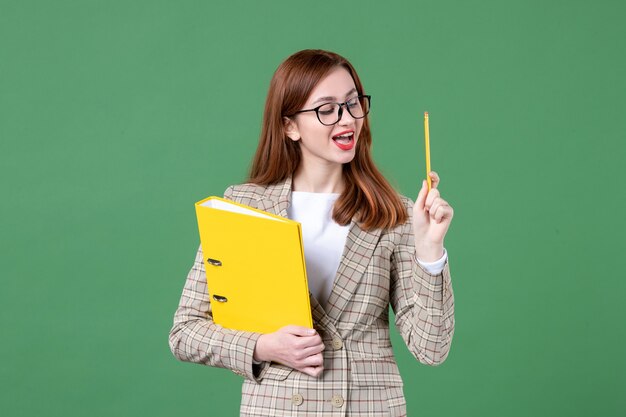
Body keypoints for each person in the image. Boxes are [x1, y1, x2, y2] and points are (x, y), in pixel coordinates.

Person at [169, 49, 455, 416]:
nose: (347, 119)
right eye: (327, 109)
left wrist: (430, 251)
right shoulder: (244, 206)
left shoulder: (395, 213)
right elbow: (185, 332)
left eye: (354, 104)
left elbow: (431, 349)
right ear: (289, 125)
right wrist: (264, 346)